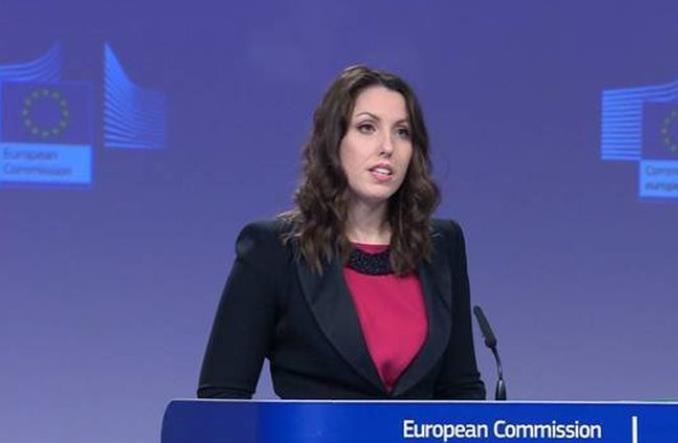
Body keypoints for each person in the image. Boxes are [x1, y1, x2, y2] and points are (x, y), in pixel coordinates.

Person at [198, 65, 486, 400]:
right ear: (333, 142)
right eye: (367, 128)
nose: (388, 147)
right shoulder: (273, 249)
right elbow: (222, 398)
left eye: (402, 132)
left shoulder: (442, 245)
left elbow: (461, 390)